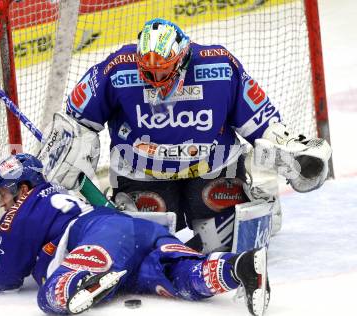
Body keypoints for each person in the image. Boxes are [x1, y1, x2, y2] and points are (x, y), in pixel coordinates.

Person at [41, 18, 332, 253]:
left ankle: (258, 201)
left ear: (183, 60)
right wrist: (66, 152)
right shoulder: (117, 69)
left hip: (214, 166)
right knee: (142, 243)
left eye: (164, 72)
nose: (156, 83)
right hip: (142, 170)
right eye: (148, 73)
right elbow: (76, 120)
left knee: (223, 244)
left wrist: (290, 151)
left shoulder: (219, 67)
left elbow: (261, 121)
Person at [0, 153, 270, 316]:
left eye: (4, 192)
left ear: (23, 188)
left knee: (50, 298)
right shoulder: (56, 196)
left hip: (99, 234)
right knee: (181, 276)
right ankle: (238, 267)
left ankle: (84, 279)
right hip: (136, 231)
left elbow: (2, 278)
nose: (2, 202)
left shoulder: (24, 207)